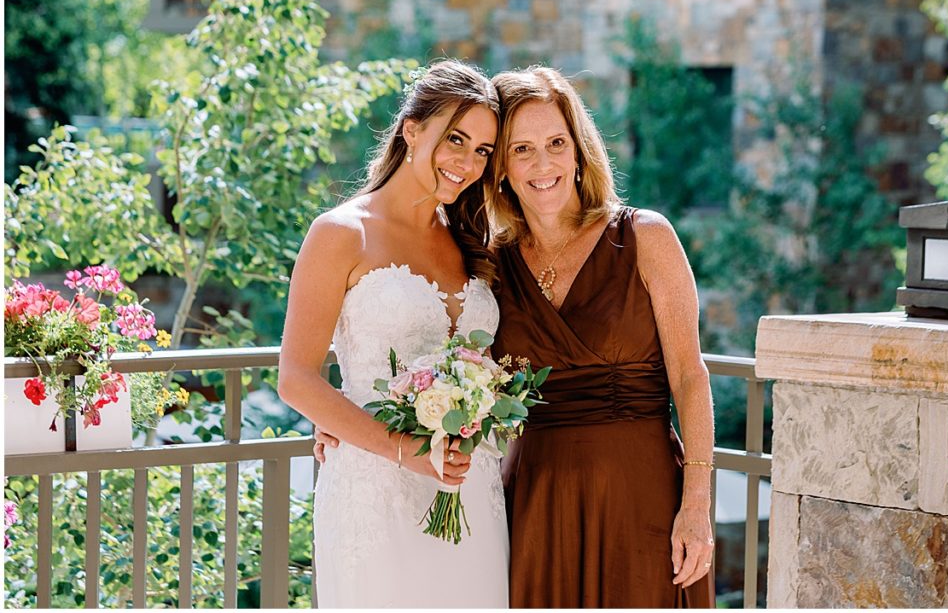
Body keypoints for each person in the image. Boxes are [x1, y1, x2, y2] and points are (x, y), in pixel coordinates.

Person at [279, 60, 509, 608]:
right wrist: (405, 450)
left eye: (482, 151)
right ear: (411, 129)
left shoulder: (473, 240)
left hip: (470, 487)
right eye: (456, 139)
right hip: (374, 493)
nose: (468, 162)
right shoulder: (340, 234)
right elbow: (296, 379)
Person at [488, 66, 716, 608]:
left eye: (555, 143)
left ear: (578, 151)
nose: (542, 164)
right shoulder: (491, 266)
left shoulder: (645, 237)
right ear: (499, 167)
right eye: (522, 149)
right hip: (537, 500)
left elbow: (689, 376)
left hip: (640, 492)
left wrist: (696, 504)